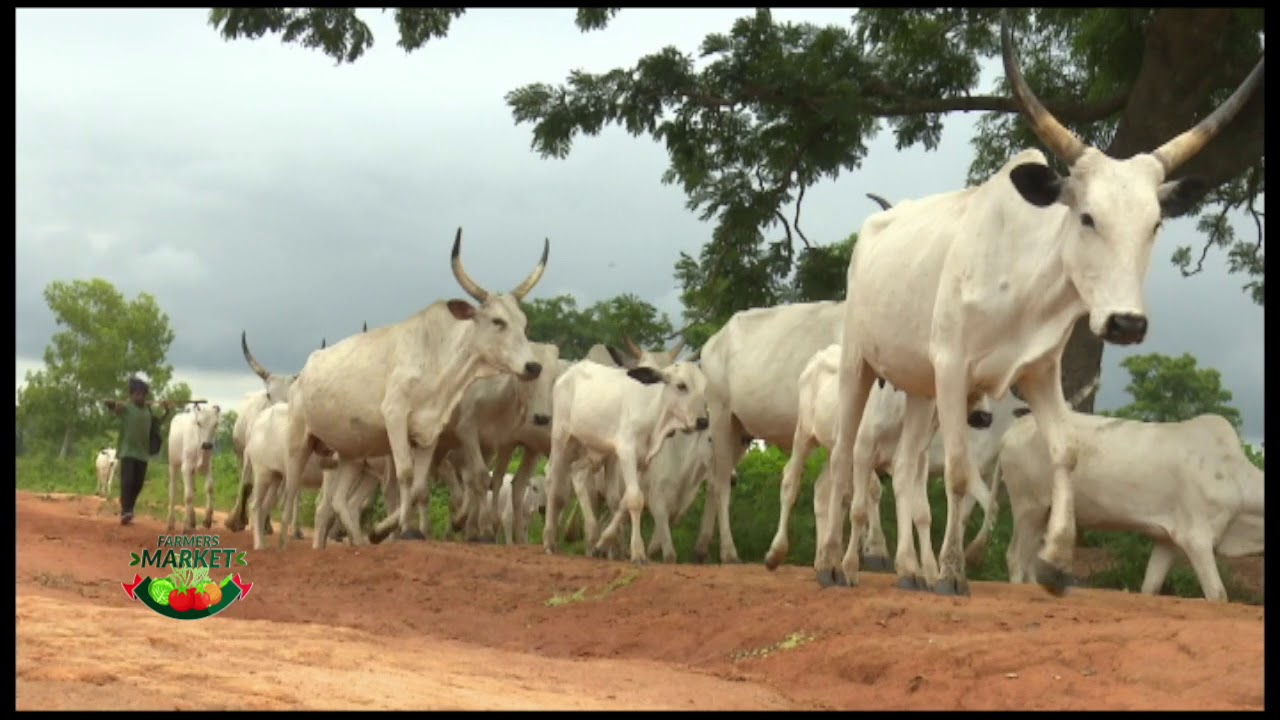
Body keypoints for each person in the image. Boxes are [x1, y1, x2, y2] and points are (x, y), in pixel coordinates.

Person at [104, 377, 172, 526]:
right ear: (131, 395)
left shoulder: (148, 411)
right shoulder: (126, 409)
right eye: (137, 394)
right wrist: (112, 404)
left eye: (142, 394)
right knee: (127, 482)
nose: (140, 397)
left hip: (142, 454)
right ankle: (125, 511)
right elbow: (110, 405)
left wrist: (166, 410)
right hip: (128, 452)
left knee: (138, 484)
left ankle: (129, 509)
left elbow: (158, 423)